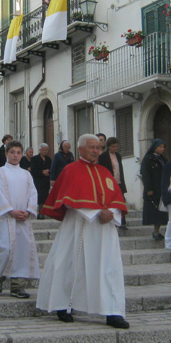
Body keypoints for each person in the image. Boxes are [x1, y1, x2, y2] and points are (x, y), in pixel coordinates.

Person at [36, 134, 129, 329]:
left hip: (105, 230)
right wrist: (96, 211)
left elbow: (116, 197)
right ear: (80, 149)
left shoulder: (105, 171)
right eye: (92, 147)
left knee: (108, 268)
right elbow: (71, 197)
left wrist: (110, 212)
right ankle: (64, 305)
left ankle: (112, 311)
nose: (96, 150)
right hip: (79, 225)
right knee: (71, 263)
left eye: (98, 147)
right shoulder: (71, 170)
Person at [0, 140, 39, 298]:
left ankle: (18, 285)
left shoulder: (26, 174)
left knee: (22, 250)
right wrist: (10, 211)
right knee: (6, 248)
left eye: (18, 152)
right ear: (6, 154)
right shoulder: (0, 172)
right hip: (6, 219)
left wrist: (28, 211)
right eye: (12, 152)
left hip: (22, 219)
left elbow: (33, 193)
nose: (15, 155)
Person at [98, 137, 128, 230]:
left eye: (116, 147)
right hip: (109, 183)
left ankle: (122, 222)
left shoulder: (118, 155)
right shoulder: (103, 157)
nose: (114, 149)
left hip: (119, 181)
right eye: (113, 147)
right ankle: (112, 220)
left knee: (121, 201)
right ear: (109, 147)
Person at [141, 139, 168, 240]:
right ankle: (156, 232)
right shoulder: (148, 159)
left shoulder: (163, 159)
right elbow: (145, 175)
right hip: (153, 190)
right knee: (155, 213)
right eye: (159, 147)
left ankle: (158, 231)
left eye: (163, 147)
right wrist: (148, 188)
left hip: (162, 190)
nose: (162, 149)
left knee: (161, 213)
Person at [30, 144, 52, 218]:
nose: (45, 152)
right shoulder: (34, 159)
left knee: (45, 196)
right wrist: (42, 172)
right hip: (38, 180)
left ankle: (43, 212)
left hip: (46, 181)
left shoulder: (48, 159)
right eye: (44, 150)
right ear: (40, 150)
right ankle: (40, 212)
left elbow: (51, 169)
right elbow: (33, 170)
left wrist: (48, 172)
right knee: (40, 197)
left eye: (46, 150)